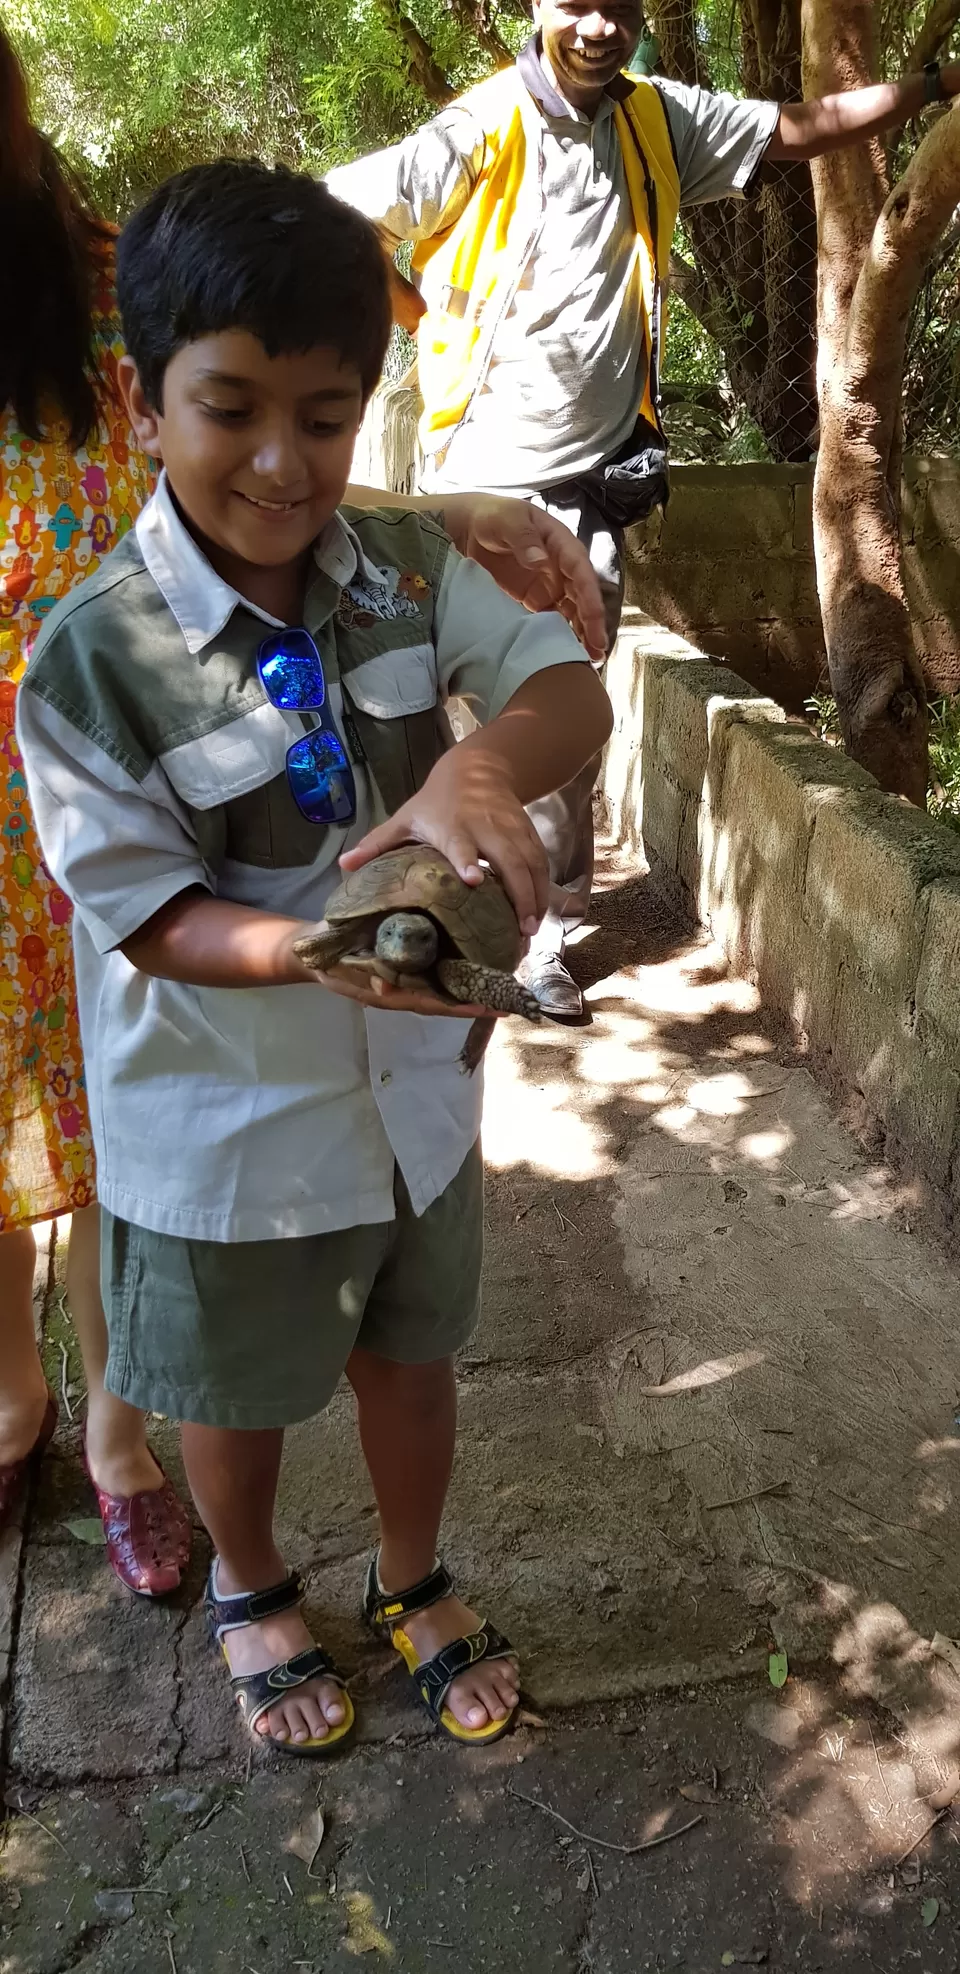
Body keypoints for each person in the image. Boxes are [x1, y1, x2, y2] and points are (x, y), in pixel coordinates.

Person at [17, 158, 613, 1754]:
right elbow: (146, 911)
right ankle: (254, 1580)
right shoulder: (89, 662)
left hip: (414, 1100)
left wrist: (479, 766)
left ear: (364, 411)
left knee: (411, 1358)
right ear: (144, 405)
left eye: (327, 417)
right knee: (238, 1386)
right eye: (230, 410)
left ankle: (414, 1573)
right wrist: (309, 949)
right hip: (221, 1123)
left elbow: (568, 687)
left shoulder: (411, 575)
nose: (283, 463)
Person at [328, 1, 960, 1020]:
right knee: (452, 707)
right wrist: (420, 307)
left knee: (561, 710)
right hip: (479, 480)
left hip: (593, 483)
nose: (599, 26)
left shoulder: (655, 120)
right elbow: (335, 216)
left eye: (620, 7)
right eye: (577, 4)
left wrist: (932, 89)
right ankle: (435, 900)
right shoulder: (479, 127)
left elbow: (796, 126)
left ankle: (541, 930)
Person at [0, 23, 191, 1592]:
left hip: (99, 761)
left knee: (117, 1101)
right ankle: (14, 1408)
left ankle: (123, 1432)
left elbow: (229, 462)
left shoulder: (114, 277)